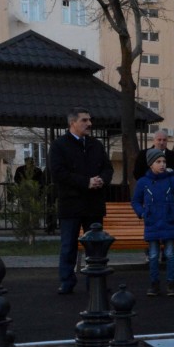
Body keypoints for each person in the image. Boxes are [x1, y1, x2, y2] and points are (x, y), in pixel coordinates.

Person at [48, 107, 114, 295]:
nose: (89, 124)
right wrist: (86, 182)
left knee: (96, 246)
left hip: (94, 205)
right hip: (71, 204)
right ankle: (67, 281)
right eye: (84, 120)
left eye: (89, 120)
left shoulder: (96, 145)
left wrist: (102, 179)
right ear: (73, 123)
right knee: (69, 245)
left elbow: (108, 168)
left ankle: (95, 281)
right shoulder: (59, 145)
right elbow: (58, 173)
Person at [132, 148, 174, 296]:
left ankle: (171, 283)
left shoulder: (172, 180)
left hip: (168, 221)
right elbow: (136, 201)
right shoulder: (144, 182)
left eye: (164, 161)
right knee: (154, 254)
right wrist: (142, 213)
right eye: (158, 162)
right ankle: (154, 284)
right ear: (151, 164)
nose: (162, 164)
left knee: (169, 254)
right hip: (152, 222)